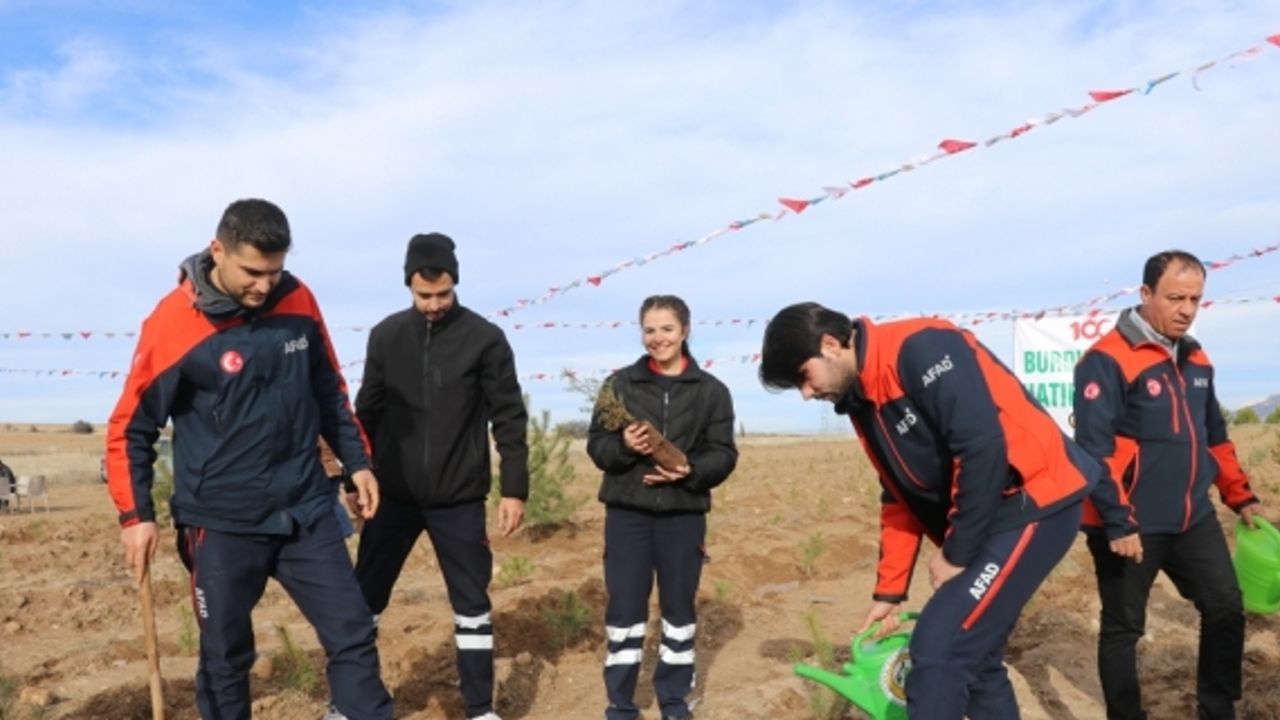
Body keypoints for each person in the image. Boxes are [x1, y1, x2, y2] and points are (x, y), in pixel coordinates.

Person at [104, 198, 392, 720]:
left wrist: (358, 462)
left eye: (274, 271)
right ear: (219, 250)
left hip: (305, 509)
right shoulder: (173, 323)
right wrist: (136, 516)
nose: (265, 285)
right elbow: (131, 428)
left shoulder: (298, 300)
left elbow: (329, 389)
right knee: (226, 658)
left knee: (353, 632)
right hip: (220, 522)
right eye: (253, 272)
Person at [759, 302, 1102, 719]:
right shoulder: (862, 401)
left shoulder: (921, 348)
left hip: (1034, 500)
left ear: (830, 344)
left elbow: (981, 447)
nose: (807, 393)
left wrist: (957, 554)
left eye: (803, 377)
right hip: (991, 517)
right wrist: (889, 592)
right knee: (975, 658)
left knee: (939, 646)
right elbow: (898, 495)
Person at [1073, 249, 1264, 720]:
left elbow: (1214, 437)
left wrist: (1240, 497)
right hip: (1129, 524)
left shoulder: (1197, 360)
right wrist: (1118, 524)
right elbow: (1094, 453)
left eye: (1195, 299)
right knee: (1124, 629)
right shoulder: (1106, 360)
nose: (1186, 309)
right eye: (1175, 297)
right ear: (1145, 294)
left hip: (1191, 517)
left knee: (1225, 607)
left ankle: (1217, 708)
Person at [351, 232, 529, 720]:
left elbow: (509, 417)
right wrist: (355, 478)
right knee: (363, 602)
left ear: (455, 284)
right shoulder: (386, 336)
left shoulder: (485, 338)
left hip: (459, 499)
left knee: (472, 604)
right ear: (408, 286)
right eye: (423, 295)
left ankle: (479, 708)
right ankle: (350, 701)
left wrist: (514, 488)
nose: (433, 304)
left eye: (443, 294)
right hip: (394, 497)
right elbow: (367, 412)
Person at [587, 294, 738, 720]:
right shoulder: (618, 386)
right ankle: (621, 703)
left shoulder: (712, 392)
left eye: (667, 329)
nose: (658, 338)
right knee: (626, 610)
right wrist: (624, 445)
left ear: (685, 331)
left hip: (683, 515)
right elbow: (597, 447)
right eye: (650, 330)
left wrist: (689, 471)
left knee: (678, 609)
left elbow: (724, 453)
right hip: (627, 515)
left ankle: (673, 701)